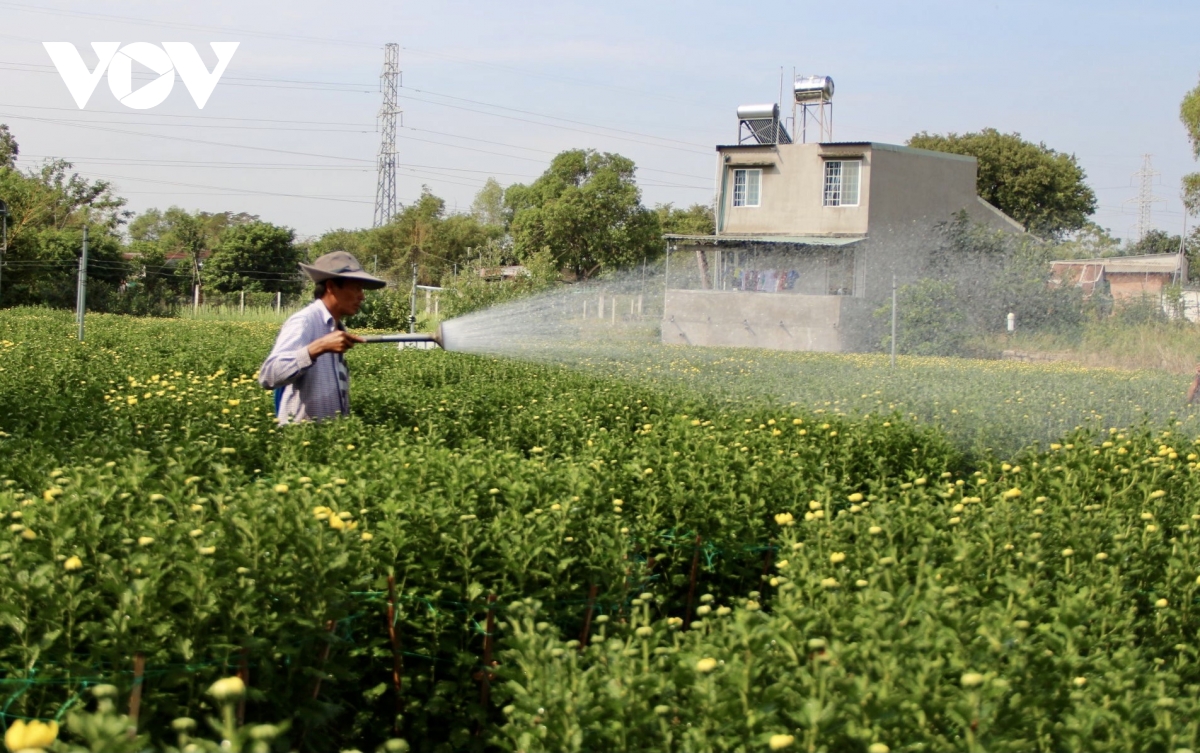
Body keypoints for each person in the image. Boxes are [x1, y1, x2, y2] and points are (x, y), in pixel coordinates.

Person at [258, 251, 386, 425]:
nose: (362, 296)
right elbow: (269, 375)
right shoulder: (305, 321)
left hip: (326, 440)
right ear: (331, 286)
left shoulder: (335, 326)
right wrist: (316, 349)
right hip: (300, 443)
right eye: (356, 288)